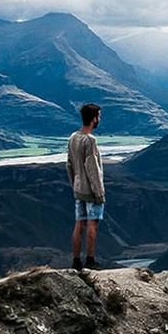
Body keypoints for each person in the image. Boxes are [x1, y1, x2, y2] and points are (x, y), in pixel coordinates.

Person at [67, 102, 105, 269]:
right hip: (90, 190)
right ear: (94, 118)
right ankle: (90, 260)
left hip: (78, 189)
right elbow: (92, 167)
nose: (100, 119)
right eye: (99, 116)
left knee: (79, 224)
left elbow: (68, 164)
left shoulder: (73, 137)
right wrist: (99, 193)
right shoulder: (90, 140)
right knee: (92, 224)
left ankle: (76, 261)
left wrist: (74, 183)